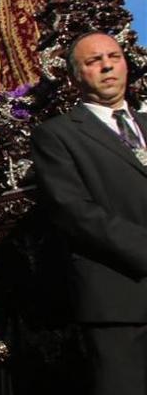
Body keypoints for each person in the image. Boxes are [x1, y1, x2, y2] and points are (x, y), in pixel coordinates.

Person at [31, 31, 147, 395]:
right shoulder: (57, 135)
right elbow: (74, 211)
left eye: (113, 56)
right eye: (93, 61)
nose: (107, 65)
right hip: (121, 301)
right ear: (75, 75)